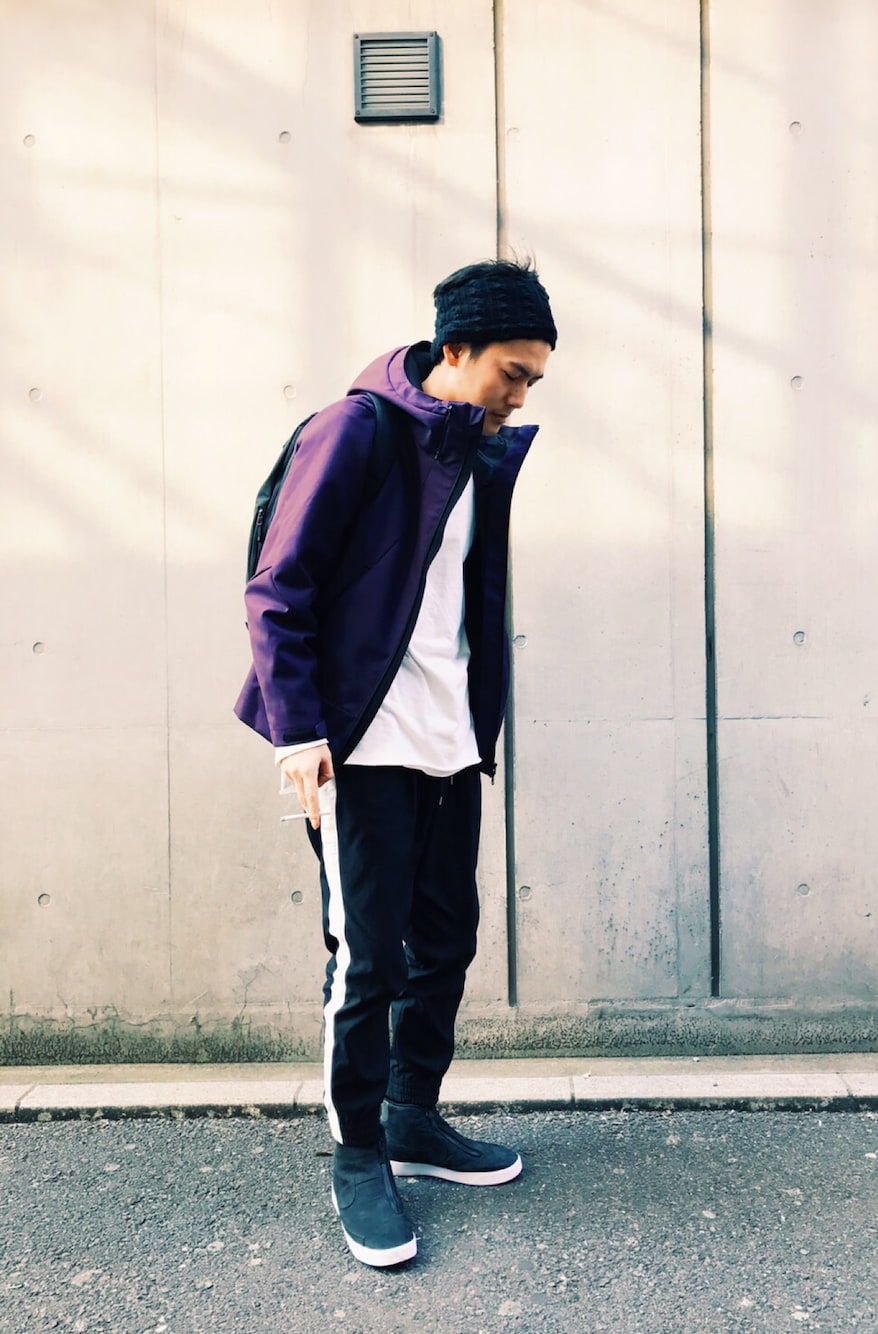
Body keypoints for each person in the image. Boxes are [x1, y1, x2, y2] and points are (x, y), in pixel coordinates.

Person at [234, 258, 556, 1268]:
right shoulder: (357, 429)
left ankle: (412, 1114)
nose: (520, 395)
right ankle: (359, 1152)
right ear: (454, 350)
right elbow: (277, 590)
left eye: (533, 379)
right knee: (366, 960)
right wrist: (299, 733)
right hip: (360, 746)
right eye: (511, 372)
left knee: (445, 941)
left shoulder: (476, 451)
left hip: (447, 741)